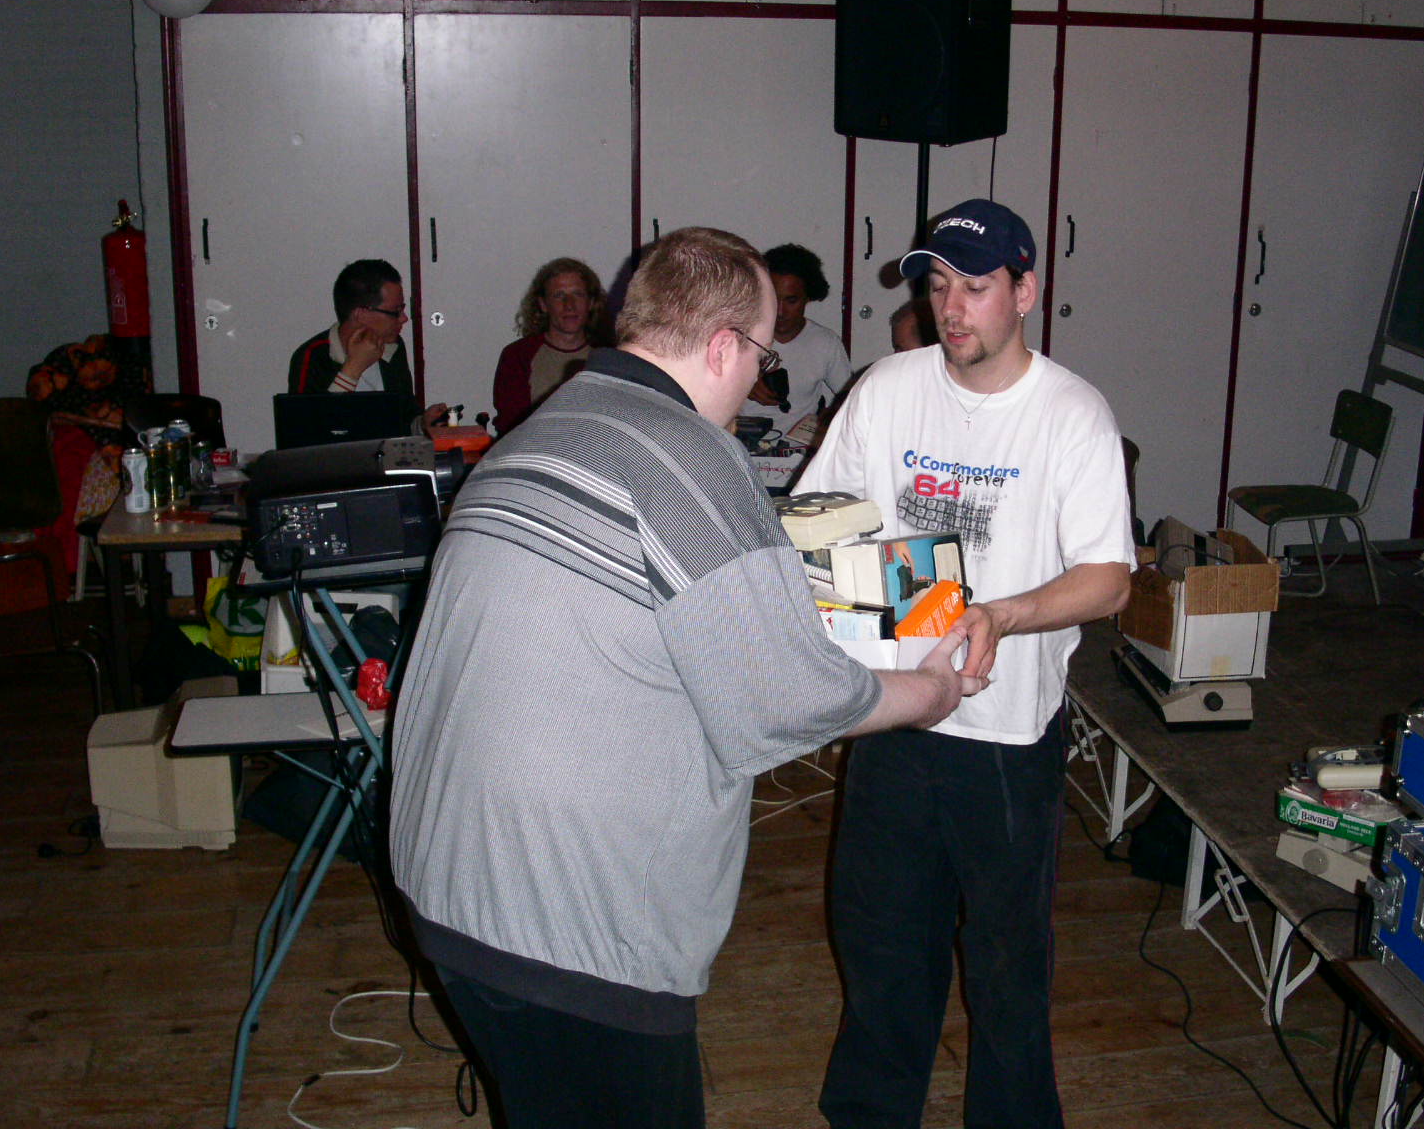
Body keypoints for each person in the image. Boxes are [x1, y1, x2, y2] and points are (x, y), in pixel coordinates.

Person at [388, 226, 985, 1129]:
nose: (758, 380)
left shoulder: (545, 428)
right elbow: (785, 704)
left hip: (446, 891)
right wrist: (933, 692)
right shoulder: (692, 455)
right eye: (763, 357)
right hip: (568, 932)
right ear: (722, 347)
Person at [799, 198, 1135, 1129]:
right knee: (879, 947)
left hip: (1005, 740)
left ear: (1025, 291)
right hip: (895, 715)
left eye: (976, 286)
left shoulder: (1071, 413)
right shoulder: (888, 387)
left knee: (1007, 966)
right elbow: (820, 525)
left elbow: (1109, 579)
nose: (951, 307)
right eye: (938, 284)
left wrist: (1002, 613)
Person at [286, 258, 446, 423]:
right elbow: (307, 429)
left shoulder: (393, 347)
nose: (404, 318)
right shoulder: (313, 356)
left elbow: (404, 419)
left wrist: (423, 423)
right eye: (395, 311)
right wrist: (353, 368)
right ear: (361, 315)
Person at [491, 257, 611, 435]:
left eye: (577, 294)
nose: (569, 305)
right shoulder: (518, 356)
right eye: (559, 296)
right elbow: (512, 425)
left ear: (591, 302)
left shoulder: (611, 357)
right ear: (543, 305)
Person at [739, 243, 852, 421]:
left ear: (808, 297)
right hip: (740, 437)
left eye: (791, 301)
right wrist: (742, 385)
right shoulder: (737, 336)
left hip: (801, 438)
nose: (780, 311)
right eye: (773, 299)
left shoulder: (825, 343)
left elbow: (851, 399)